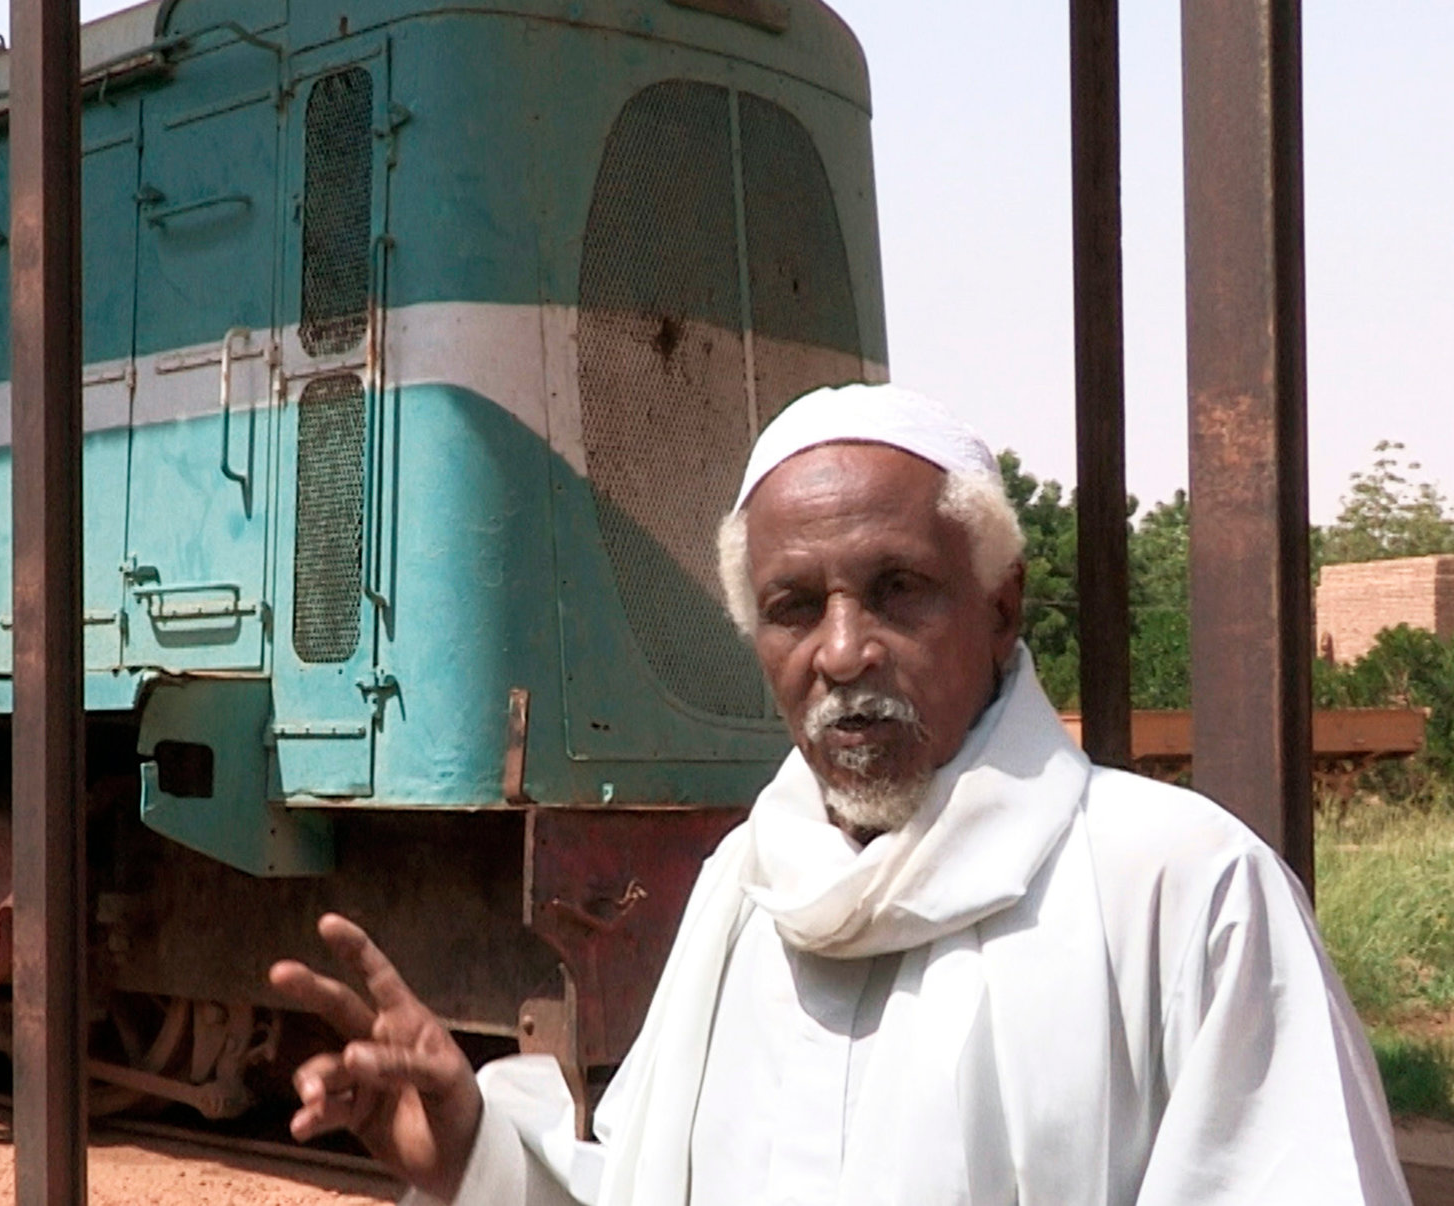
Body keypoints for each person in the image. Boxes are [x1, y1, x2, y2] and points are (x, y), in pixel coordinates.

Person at [270, 382, 1410, 1205]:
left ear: (1001, 606)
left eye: (898, 589)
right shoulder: (748, 890)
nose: (845, 650)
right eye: (794, 607)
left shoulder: (1175, 886)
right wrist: (475, 1153)